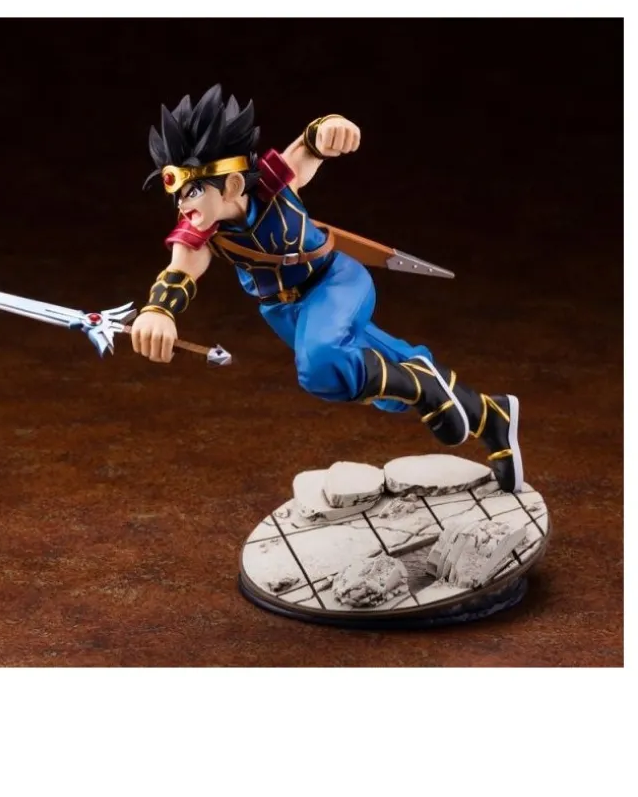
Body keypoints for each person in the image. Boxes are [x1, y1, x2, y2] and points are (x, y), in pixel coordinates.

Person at [132, 84, 522, 493]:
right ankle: (491, 417)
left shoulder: (271, 184)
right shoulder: (200, 231)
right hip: (284, 310)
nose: (182, 204)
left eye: (192, 191)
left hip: (334, 282)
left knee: (321, 365)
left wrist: (328, 128)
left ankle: (422, 385)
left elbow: (307, 148)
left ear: (230, 185)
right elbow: (180, 270)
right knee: (376, 371)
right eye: (177, 194)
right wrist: (158, 311)